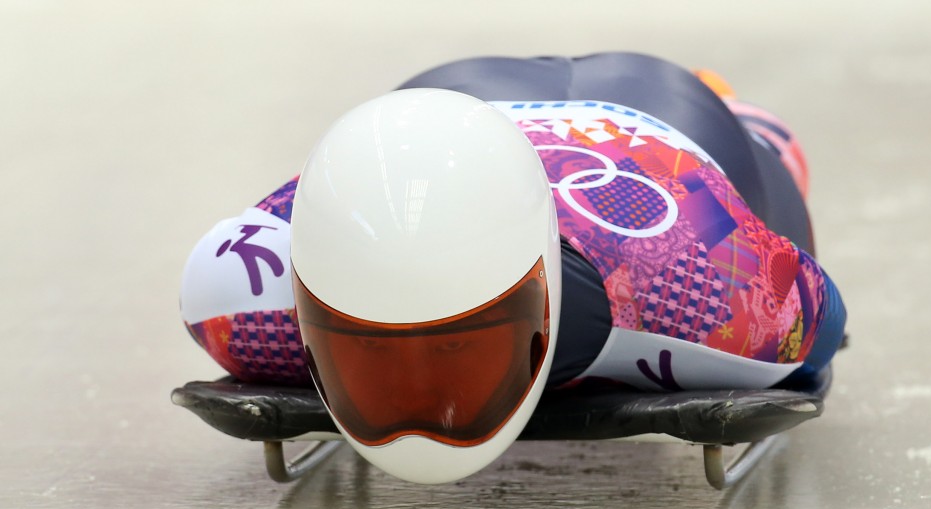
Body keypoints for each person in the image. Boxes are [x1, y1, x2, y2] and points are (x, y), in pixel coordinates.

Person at [180, 53, 846, 484]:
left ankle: (746, 117)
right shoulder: (240, 295)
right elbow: (821, 328)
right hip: (444, 114)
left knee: (775, 166)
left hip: (653, 136)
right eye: (366, 350)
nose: (423, 399)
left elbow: (820, 318)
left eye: (458, 345)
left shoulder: (697, 281)